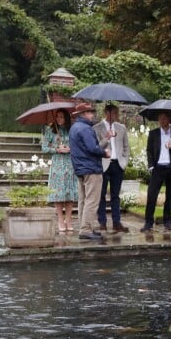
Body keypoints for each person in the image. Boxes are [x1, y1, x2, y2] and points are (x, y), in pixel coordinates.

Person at [69, 102, 110, 240]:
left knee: (83, 200)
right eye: (90, 112)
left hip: (80, 169)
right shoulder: (85, 129)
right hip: (91, 169)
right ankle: (86, 229)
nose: (93, 115)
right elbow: (93, 148)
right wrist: (105, 153)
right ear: (84, 114)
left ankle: (84, 227)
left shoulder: (74, 127)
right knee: (92, 200)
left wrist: (105, 139)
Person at [140, 111, 171, 232]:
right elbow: (149, 151)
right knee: (152, 195)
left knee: (170, 197)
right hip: (158, 168)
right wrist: (151, 166)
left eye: (164, 119)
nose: (162, 121)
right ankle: (148, 223)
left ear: (169, 119)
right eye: (160, 119)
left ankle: (167, 222)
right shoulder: (153, 133)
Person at [93, 104, 131, 233]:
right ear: (105, 112)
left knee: (116, 195)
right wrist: (106, 138)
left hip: (117, 164)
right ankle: (102, 222)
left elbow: (126, 147)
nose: (113, 115)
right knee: (101, 195)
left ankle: (116, 222)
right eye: (111, 113)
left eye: (115, 113)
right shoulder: (96, 128)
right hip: (103, 165)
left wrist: (124, 162)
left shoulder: (121, 128)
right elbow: (96, 147)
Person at [41, 109, 78, 233]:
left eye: (61, 117)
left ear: (66, 118)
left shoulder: (72, 130)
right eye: (57, 117)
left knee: (69, 193)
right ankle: (60, 220)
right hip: (57, 165)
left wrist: (70, 149)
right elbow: (44, 148)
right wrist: (57, 149)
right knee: (58, 194)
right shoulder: (50, 130)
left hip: (69, 164)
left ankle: (69, 219)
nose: (59, 119)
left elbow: (78, 145)